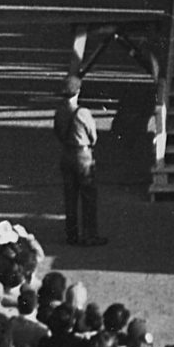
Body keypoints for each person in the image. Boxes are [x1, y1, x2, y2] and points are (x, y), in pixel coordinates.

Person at [53, 74, 105, 245]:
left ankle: (71, 234)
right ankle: (89, 235)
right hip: (83, 155)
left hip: (66, 154)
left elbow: (58, 133)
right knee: (88, 196)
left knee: (70, 196)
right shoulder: (83, 112)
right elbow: (93, 136)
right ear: (78, 92)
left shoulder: (59, 112)